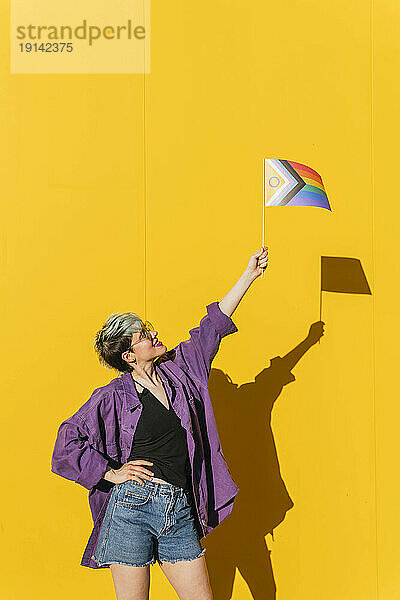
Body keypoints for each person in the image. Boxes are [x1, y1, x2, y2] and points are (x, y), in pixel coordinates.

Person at [51, 246, 269, 600]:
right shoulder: (112, 396)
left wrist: (249, 274)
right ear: (128, 356)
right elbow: (66, 443)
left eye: (148, 329)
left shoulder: (181, 369)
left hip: (179, 506)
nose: (152, 335)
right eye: (142, 335)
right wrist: (112, 473)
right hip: (131, 507)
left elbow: (211, 327)